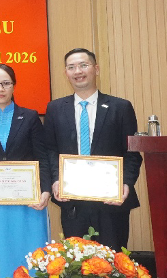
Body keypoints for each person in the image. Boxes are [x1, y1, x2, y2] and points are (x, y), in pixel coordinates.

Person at [45, 48, 142, 251]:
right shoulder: (55, 109)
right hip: (72, 202)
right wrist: (56, 179)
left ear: (96, 69)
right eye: (71, 67)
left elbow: (132, 153)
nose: (77, 71)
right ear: (66, 73)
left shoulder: (120, 107)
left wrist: (125, 183)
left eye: (83, 65)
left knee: (112, 260)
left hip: (110, 202)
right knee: (76, 261)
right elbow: (50, 150)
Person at [0, 64, 50, 278]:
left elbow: (42, 157)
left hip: (27, 202)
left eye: (6, 83)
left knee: (28, 254)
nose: (0, 89)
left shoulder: (30, 117)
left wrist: (45, 190)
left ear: (14, 86)